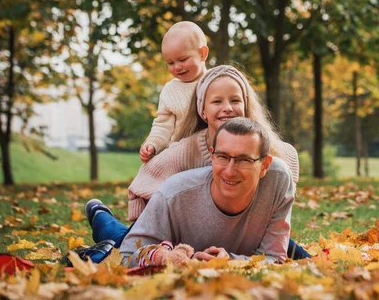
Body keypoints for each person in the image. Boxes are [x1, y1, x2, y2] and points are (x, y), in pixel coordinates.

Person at [82, 66, 308, 262]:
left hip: (242, 225)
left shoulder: (265, 150)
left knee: (282, 244)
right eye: (217, 101)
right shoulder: (185, 151)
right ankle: (102, 218)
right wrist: (146, 214)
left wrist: (280, 193)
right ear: (203, 110)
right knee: (122, 240)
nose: (227, 107)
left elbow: (282, 175)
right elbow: (147, 179)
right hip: (182, 228)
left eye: (235, 100)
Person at [119, 118, 294, 267]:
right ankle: (106, 221)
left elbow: (275, 258)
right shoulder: (173, 194)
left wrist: (230, 262)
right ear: (211, 156)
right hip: (167, 239)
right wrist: (184, 261)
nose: (230, 171)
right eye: (223, 157)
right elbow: (126, 257)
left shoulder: (277, 179)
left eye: (244, 160)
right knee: (114, 239)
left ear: (264, 165)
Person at [139, 21, 209, 163]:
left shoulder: (218, 83)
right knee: (148, 178)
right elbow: (162, 126)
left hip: (214, 154)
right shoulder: (170, 91)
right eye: (170, 63)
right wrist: (152, 144)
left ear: (202, 53)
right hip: (180, 158)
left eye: (182, 59)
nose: (177, 67)